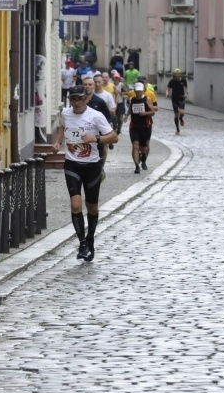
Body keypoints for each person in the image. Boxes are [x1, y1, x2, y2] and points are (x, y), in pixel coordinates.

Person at [52, 85, 118, 262]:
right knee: (75, 205)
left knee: (92, 206)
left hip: (92, 166)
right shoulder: (65, 113)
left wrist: (96, 138)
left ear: (87, 99)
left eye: (80, 99)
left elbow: (114, 137)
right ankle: (82, 244)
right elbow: (62, 128)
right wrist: (58, 142)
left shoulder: (96, 116)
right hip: (72, 164)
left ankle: (90, 239)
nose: (77, 102)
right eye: (73, 99)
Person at [82, 76, 111, 181]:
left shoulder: (99, 102)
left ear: (93, 87)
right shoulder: (78, 101)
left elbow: (108, 118)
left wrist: (104, 132)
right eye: (85, 85)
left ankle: (99, 172)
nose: (87, 87)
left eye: (90, 85)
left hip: (96, 136)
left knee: (98, 156)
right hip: (81, 136)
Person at [127, 82, 156, 174]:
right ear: (135, 90)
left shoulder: (147, 99)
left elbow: (153, 112)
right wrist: (126, 116)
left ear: (143, 90)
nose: (139, 93)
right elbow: (130, 109)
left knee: (144, 146)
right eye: (137, 91)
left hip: (145, 125)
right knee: (135, 145)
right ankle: (137, 166)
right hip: (134, 125)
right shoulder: (132, 99)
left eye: (140, 91)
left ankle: (143, 160)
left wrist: (145, 113)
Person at [166, 68, 188, 135]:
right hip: (174, 99)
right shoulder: (172, 81)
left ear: (180, 75)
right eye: (176, 75)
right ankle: (177, 129)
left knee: (181, 112)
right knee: (176, 115)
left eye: (178, 75)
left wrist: (186, 93)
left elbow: (186, 87)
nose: (177, 76)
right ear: (174, 75)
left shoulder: (183, 81)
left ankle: (181, 118)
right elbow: (168, 88)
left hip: (181, 98)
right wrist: (167, 93)